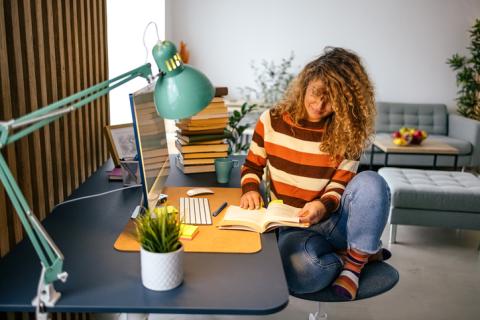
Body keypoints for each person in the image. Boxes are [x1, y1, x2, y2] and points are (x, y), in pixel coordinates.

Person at [239, 47, 391, 300]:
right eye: (315, 93)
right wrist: (251, 189)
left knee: (373, 182)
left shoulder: (347, 133)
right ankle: (360, 254)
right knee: (303, 271)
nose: (319, 105)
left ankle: (353, 267)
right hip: (292, 224)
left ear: (345, 101)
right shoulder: (272, 121)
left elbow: (341, 184)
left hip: (335, 220)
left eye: (331, 100)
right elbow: (252, 166)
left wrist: (322, 204)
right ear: (305, 85)